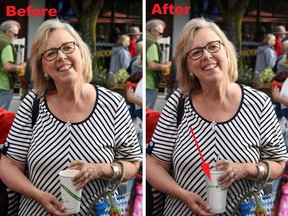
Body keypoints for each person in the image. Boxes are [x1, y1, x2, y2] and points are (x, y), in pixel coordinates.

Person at [146, 17, 288, 216]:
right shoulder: (178, 102)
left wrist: (246, 169)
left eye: (213, 46)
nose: (206, 55)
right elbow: (154, 164)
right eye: (196, 52)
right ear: (188, 66)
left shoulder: (258, 103)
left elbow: (279, 164)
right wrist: (182, 194)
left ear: (226, 52)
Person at [0, 18, 142, 216]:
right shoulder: (33, 103)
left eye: (67, 47)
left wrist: (101, 169)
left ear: (81, 53)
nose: (61, 56)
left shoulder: (113, 104)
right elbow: (9, 164)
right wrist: (37, 195)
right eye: (50, 53)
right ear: (42, 67)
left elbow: (133, 164)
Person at [0, 20, 26, 110]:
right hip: (3, 86)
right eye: (15, 35)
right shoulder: (6, 44)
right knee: (1, 116)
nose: (15, 37)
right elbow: (7, 66)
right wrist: (21, 67)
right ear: (7, 32)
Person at [146, 19, 171, 110]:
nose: (160, 36)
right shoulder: (152, 43)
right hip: (149, 83)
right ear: (152, 31)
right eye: (160, 34)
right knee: (147, 113)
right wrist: (166, 66)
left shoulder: (144, 39)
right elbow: (152, 65)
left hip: (143, 82)